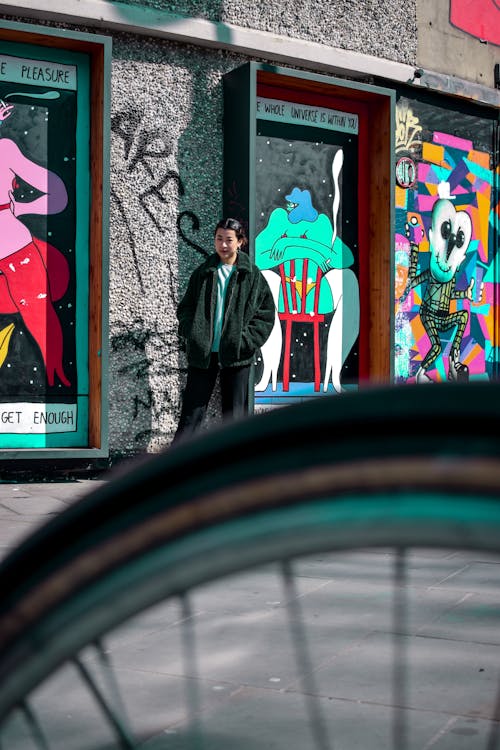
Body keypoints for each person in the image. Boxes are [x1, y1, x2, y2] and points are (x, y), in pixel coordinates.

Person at [173, 217, 275, 442]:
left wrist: (245, 341)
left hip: (237, 355)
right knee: (191, 414)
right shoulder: (204, 272)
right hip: (203, 354)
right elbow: (186, 308)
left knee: (235, 417)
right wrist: (193, 333)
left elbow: (266, 314)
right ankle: (175, 467)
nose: (223, 244)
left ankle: (237, 469)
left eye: (229, 239)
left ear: (240, 242)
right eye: (219, 239)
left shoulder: (252, 276)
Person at [0, 98, 70, 387]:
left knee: (40, 317)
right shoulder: (5, 151)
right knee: (40, 315)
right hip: (15, 246)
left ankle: (56, 381)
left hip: (15, 247)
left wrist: (19, 209)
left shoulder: (5, 151)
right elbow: (58, 196)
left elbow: (58, 194)